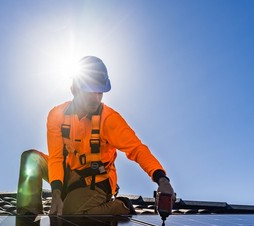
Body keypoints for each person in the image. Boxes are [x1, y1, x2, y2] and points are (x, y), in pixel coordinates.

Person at [17, 56, 175, 215]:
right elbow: (56, 158)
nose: (96, 98)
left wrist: (162, 179)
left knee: (71, 214)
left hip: (96, 182)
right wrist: (56, 193)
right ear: (74, 90)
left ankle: (122, 206)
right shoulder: (56, 115)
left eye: (99, 92)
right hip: (67, 174)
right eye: (89, 92)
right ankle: (29, 221)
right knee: (31, 159)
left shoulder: (109, 120)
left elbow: (137, 149)